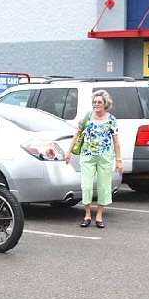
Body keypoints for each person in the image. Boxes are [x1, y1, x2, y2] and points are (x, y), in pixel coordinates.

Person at [65, 90, 123, 228]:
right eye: (94, 102)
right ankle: (87, 214)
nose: (96, 104)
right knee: (86, 186)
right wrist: (69, 152)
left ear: (105, 104)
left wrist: (119, 161)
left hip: (105, 157)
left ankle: (99, 216)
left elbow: (116, 142)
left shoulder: (111, 120)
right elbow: (77, 135)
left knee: (103, 186)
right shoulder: (87, 117)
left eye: (99, 102)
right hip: (87, 156)